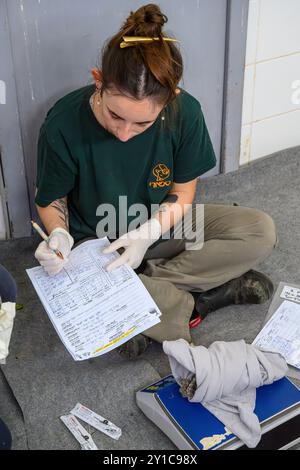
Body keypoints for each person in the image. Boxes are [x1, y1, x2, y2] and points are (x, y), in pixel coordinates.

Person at [34, 4, 277, 359]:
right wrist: (59, 235)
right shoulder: (63, 124)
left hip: (162, 228)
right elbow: (51, 200)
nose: (124, 133)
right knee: (75, 287)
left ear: (170, 99)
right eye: (114, 115)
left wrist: (147, 235)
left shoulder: (185, 113)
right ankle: (190, 297)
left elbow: (182, 193)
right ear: (98, 80)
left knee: (259, 230)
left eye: (142, 124)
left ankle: (141, 292)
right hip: (99, 246)